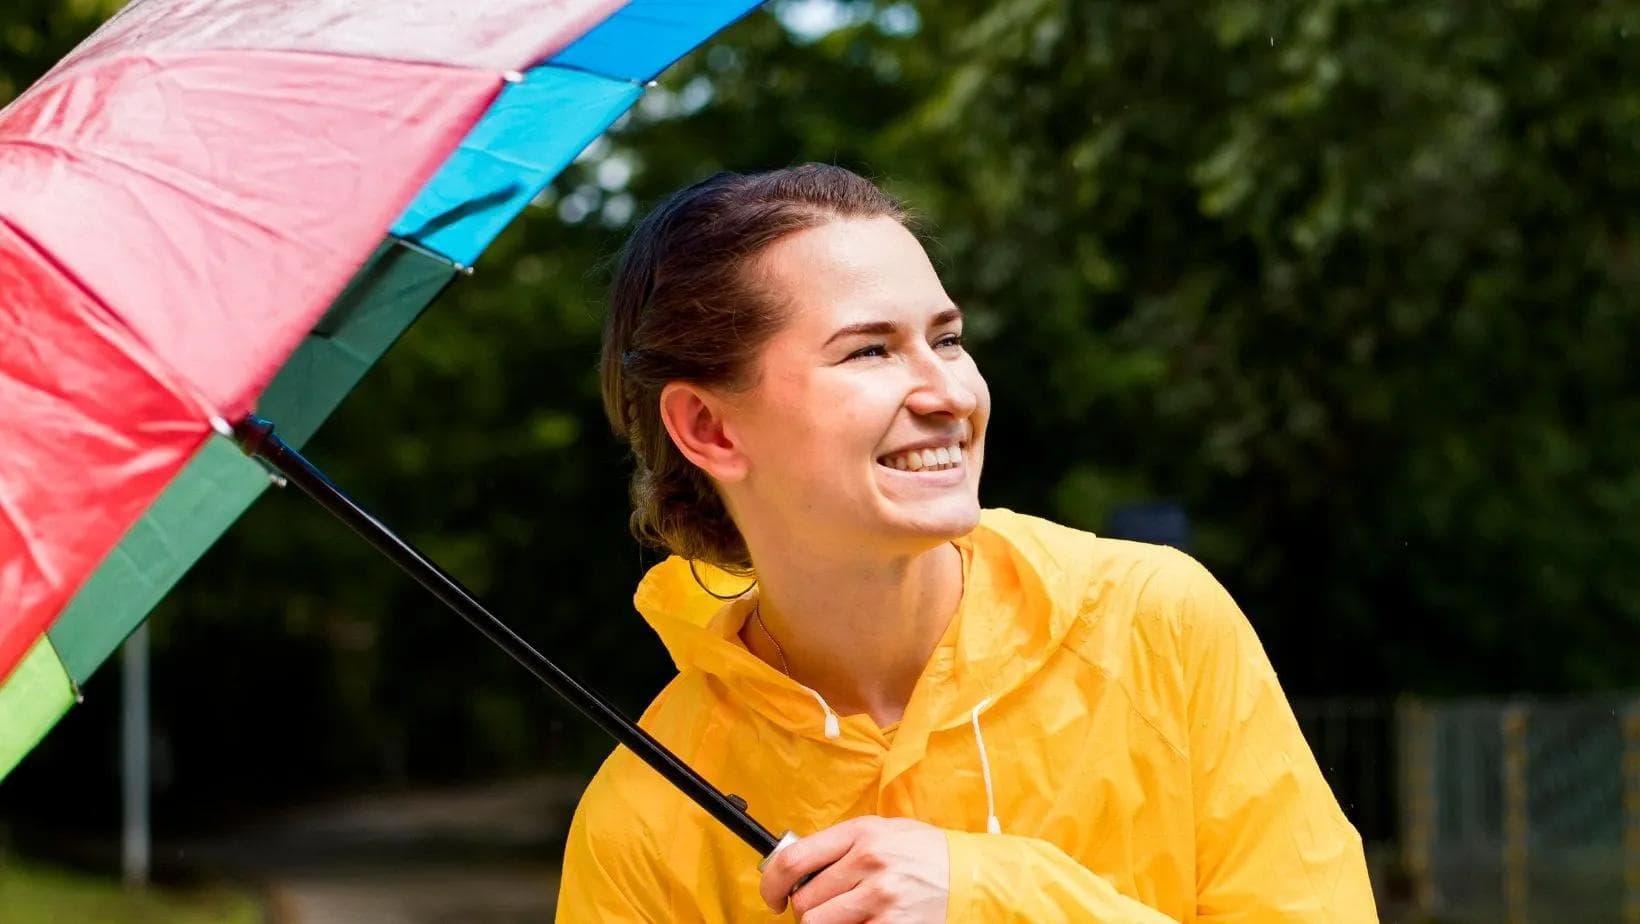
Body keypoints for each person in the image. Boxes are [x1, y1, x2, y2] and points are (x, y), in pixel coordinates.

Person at [555, 164, 1377, 922]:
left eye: (946, 339)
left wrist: (991, 897)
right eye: (870, 350)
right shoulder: (645, 828)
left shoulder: (1153, 624)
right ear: (709, 427)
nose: (950, 392)